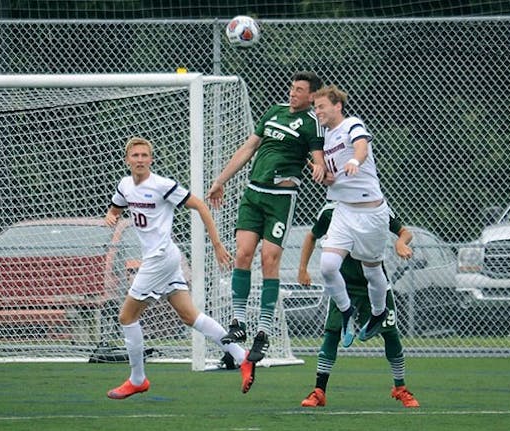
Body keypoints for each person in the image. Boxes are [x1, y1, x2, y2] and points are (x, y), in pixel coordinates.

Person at [105, 137, 251, 399]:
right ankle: (243, 357)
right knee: (189, 315)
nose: (139, 160)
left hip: (160, 258)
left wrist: (216, 244)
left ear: (151, 159)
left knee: (127, 317)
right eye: (135, 155)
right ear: (127, 159)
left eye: (144, 155)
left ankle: (137, 379)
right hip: (164, 258)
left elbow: (201, 206)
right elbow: (115, 208)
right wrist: (112, 215)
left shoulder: (162, 185)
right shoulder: (125, 185)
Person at [206, 71, 326, 386]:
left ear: (311, 96)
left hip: (281, 200)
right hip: (253, 193)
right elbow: (248, 149)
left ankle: (264, 332)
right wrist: (220, 180)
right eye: (292, 87)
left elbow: (318, 159)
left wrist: (317, 167)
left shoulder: (312, 124)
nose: (293, 93)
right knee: (243, 254)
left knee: (269, 259)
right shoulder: (273, 112)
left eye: (299, 90)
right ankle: (239, 322)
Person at [298, 202, 420, 408]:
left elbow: (405, 232)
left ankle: (400, 387)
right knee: (332, 333)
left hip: (375, 285)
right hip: (344, 286)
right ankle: (319, 391)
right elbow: (311, 235)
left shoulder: (376, 208)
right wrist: (303, 268)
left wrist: (400, 242)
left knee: (390, 333)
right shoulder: (330, 212)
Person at [312, 85, 390, 347]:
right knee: (327, 266)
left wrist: (355, 161)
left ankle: (378, 313)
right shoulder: (325, 138)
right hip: (344, 211)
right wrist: (325, 177)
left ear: (337, 106)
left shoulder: (352, 124)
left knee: (372, 272)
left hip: (371, 213)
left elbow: (361, 148)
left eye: (321, 106)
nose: (318, 111)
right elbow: (331, 177)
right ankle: (347, 312)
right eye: (315, 107)